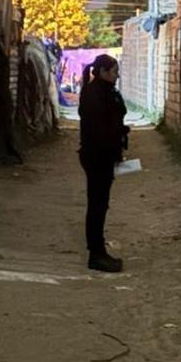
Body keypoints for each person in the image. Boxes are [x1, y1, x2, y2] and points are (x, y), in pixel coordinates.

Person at [77, 54, 128, 272]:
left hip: (102, 156)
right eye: (114, 72)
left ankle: (98, 251)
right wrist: (117, 133)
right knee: (97, 205)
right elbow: (100, 129)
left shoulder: (104, 91)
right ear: (104, 72)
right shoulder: (94, 94)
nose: (117, 76)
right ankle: (96, 254)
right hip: (97, 156)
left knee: (100, 204)